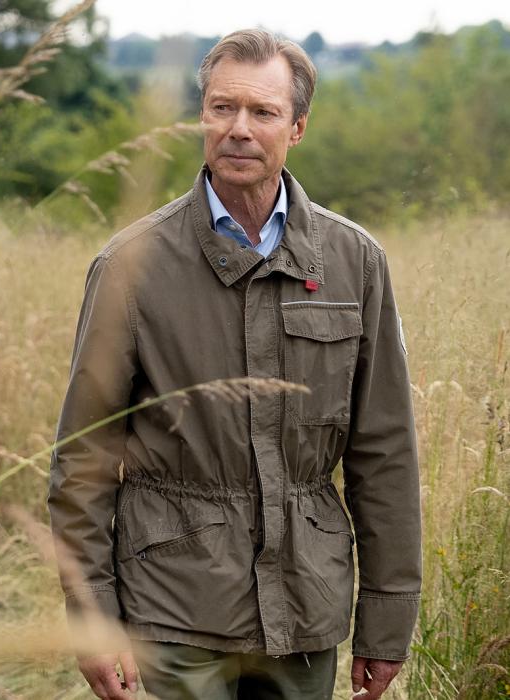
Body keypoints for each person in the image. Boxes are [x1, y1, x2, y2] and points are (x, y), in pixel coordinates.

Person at [48, 29, 422, 700]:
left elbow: (384, 452)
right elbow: (83, 459)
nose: (239, 129)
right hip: (172, 607)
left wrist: (386, 620)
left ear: (297, 127)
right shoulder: (131, 266)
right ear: (202, 116)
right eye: (222, 108)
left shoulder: (355, 262)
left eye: (262, 112)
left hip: (307, 610)